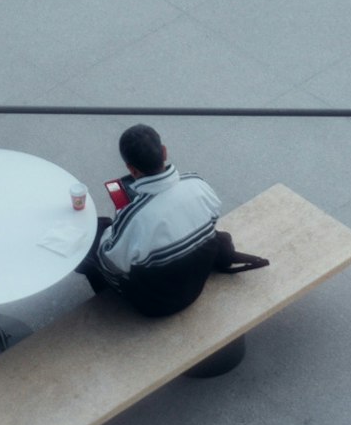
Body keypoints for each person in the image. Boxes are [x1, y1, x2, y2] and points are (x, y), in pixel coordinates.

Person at [80, 123, 266, 319]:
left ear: (131, 170)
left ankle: (104, 299)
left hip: (155, 305)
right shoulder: (197, 184)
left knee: (94, 236)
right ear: (164, 151)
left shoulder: (133, 217)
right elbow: (212, 220)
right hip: (195, 284)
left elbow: (112, 263)